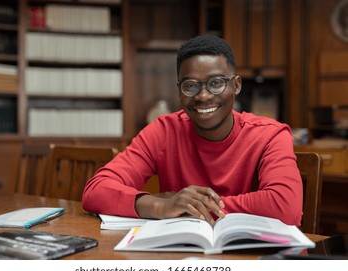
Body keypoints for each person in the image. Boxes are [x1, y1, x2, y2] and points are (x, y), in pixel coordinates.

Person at [82, 34, 302, 227]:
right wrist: (161, 206)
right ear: (179, 90)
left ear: (236, 86)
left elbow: (285, 207)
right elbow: (96, 191)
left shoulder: (270, 135)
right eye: (190, 85)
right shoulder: (164, 130)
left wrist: (191, 207)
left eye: (216, 83)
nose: (203, 96)